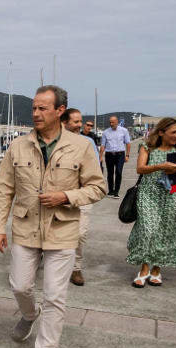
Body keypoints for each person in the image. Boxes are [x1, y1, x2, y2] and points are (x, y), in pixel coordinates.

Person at [0, 85, 106, 348]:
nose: (36, 113)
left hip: (63, 229)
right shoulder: (18, 146)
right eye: (34, 108)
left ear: (60, 111)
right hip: (26, 226)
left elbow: (98, 187)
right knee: (19, 285)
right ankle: (30, 315)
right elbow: (3, 189)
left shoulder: (81, 146)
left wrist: (65, 196)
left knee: (55, 295)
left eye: (43, 108)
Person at [127, 117, 176, 287]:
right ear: (161, 132)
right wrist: (161, 165)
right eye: (173, 132)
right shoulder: (148, 147)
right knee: (148, 229)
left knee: (166, 231)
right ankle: (144, 268)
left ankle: (156, 270)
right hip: (149, 194)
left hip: (174, 194)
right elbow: (140, 168)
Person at [60, 108, 100, 286]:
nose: (79, 125)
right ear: (64, 123)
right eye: (75, 122)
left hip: (81, 196)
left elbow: (95, 170)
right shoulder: (55, 141)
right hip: (57, 196)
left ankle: (76, 268)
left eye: (80, 122)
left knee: (80, 233)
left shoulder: (88, 142)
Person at [100, 115, 131, 198]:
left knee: (118, 172)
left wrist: (127, 155)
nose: (111, 123)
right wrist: (100, 157)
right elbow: (103, 145)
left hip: (120, 155)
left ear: (117, 122)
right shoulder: (106, 132)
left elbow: (128, 143)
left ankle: (116, 191)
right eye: (110, 122)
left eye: (113, 122)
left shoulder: (124, 131)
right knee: (110, 173)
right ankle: (111, 191)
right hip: (109, 155)